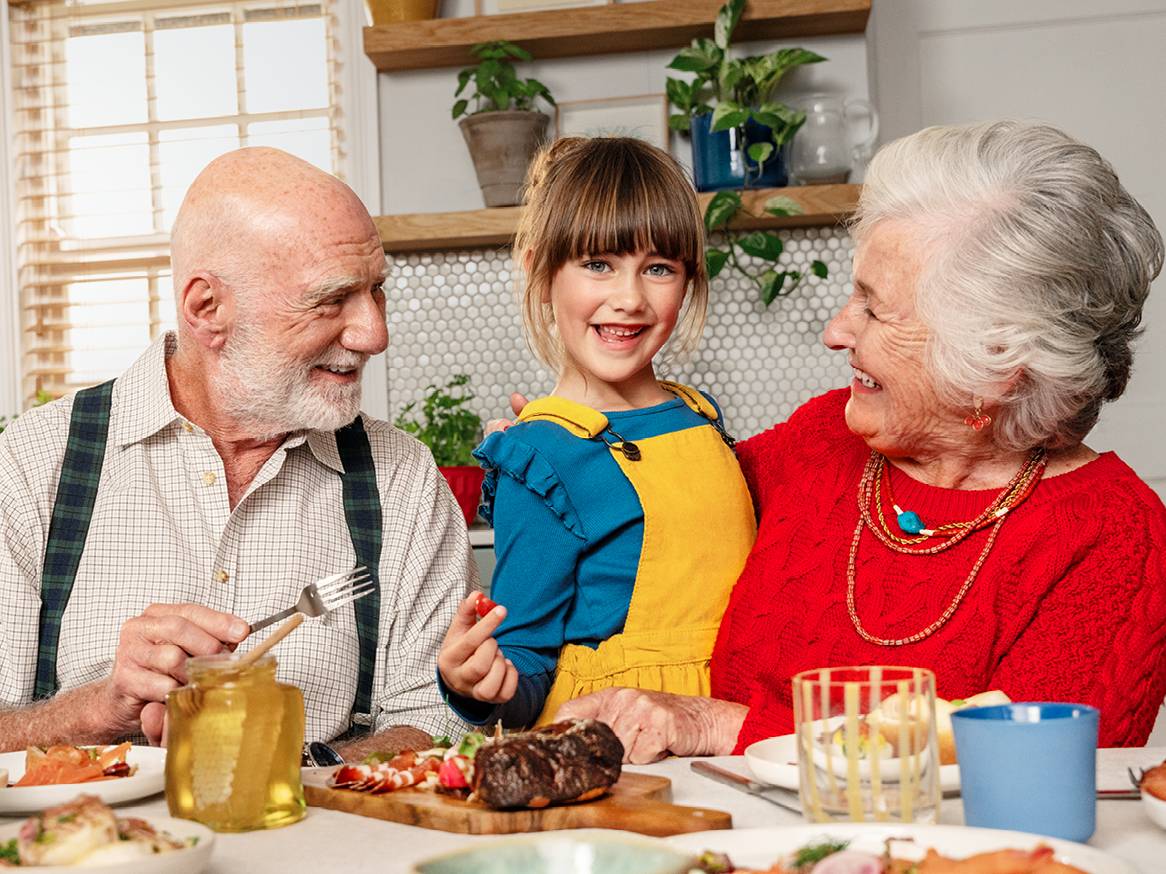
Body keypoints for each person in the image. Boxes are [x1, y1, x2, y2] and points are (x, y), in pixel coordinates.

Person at [545, 120, 1166, 762]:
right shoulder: (824, 437)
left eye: (874, 308)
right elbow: (667, 508)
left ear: (996, 365)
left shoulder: (1114, 538)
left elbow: (1032, 774)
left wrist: (718, 727)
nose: (836, 331)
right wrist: (566, 439)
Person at [0, 148, 475, 756]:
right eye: (331, 300)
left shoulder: (401, 477)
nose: (373, 334)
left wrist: (280, 764)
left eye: (376, 291)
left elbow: (440, 719)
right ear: (207, 309)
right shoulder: (35, 463)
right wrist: (102, 709)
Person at [436, 137, 757, 728]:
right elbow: (527, 659)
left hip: (725, 721)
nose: (629, 298)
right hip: (613, 741)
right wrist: (483, 684)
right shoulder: (542, 456)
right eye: (598, 264)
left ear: (689, 279)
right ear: (540, 269)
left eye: (658, 268)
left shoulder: (700, 417)